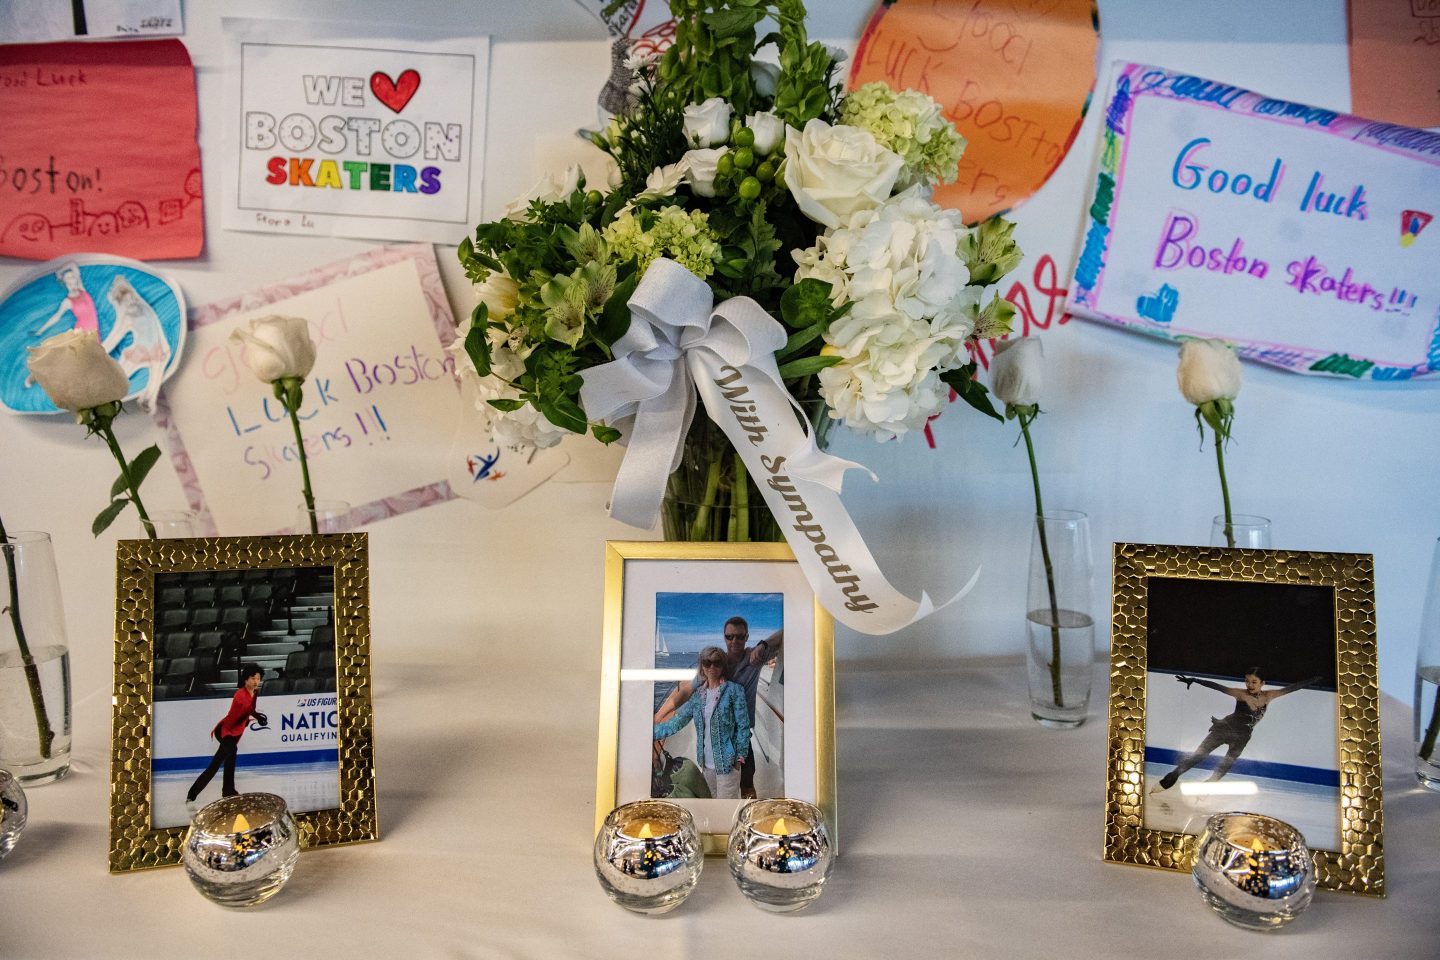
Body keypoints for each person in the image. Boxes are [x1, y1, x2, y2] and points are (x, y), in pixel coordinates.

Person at [654, 616, 781, 799]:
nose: (734, 641)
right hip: (710, 758)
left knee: (746, 788)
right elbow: (684, 699)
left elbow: (784, 634)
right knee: (714, 796)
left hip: (737, 746)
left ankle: (747, 813)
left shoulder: (753, 660)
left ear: (746, 637)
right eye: (729, 636)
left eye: (739, 636)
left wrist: (763, 644)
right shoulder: (704, 687)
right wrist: (658, 718)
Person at [1150, 667, 1321, 792]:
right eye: (1247, 681)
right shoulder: (1241, 694)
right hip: (1224, 729)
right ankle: (1169, 779)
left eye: (1254, 682)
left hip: (1242, 736)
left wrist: (1314, 680)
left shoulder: (1269, 696)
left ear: (1263, 683)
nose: (1249, 685)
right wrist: (1194, 680)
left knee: (1226, 764)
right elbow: (1217, 686)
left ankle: (1207, 787)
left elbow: (1291, 688)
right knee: (1198, 756)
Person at [652, 646, 749, 799]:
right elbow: (678, 721)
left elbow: (743, 726)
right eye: (707, 662)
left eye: (717, 663)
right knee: (710, 800)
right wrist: (650, 733)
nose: (712, 667)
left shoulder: (734, 691)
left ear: (723, 666)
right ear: (702, 666)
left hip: (728, 764)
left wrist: (739, 757)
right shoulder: (698, 696)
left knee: (725, 806)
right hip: (705, 763)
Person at [187, 665, 268, 803]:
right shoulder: (240, 694)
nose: (256, 681)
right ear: (245, 679)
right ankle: (211, 791)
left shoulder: (255, 692)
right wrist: (256, 717)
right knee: (223, 757)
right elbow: (247, 708)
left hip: (236, 732)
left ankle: (223, 790)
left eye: (258, 678)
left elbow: (250, 709)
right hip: (225, 730)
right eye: (253, 678)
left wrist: (256, 717)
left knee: (223, 759)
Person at [101, 275, 170, 411]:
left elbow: (157, 328)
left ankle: (149, 398)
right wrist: (99, 351)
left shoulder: (144, 309)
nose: (131, 302)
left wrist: (165, 348)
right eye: (127, 301)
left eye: (132, 298)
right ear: (122, 304)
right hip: (142, 351)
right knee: (122, 374)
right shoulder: (128, 318)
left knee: (155, 373)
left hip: (154, 350)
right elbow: (114, 338)